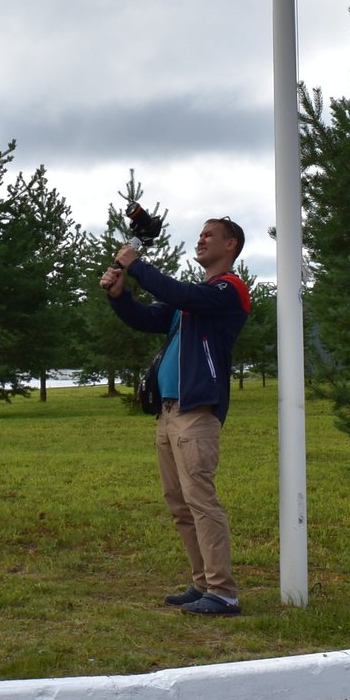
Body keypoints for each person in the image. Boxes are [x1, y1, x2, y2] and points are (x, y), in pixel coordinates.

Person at [100, 216, 252, 617]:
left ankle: (224, 593)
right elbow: (149, 318)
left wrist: (136, 265)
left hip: (196, 413)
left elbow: (178, 293)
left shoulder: (228, 290)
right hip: (169, 413)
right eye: (200, 234)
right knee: (179, 503)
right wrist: (120, 297)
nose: (200, 240)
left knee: (201, 500)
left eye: (209, 235)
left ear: (231, 245)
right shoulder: (193, 300)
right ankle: (203, 583)